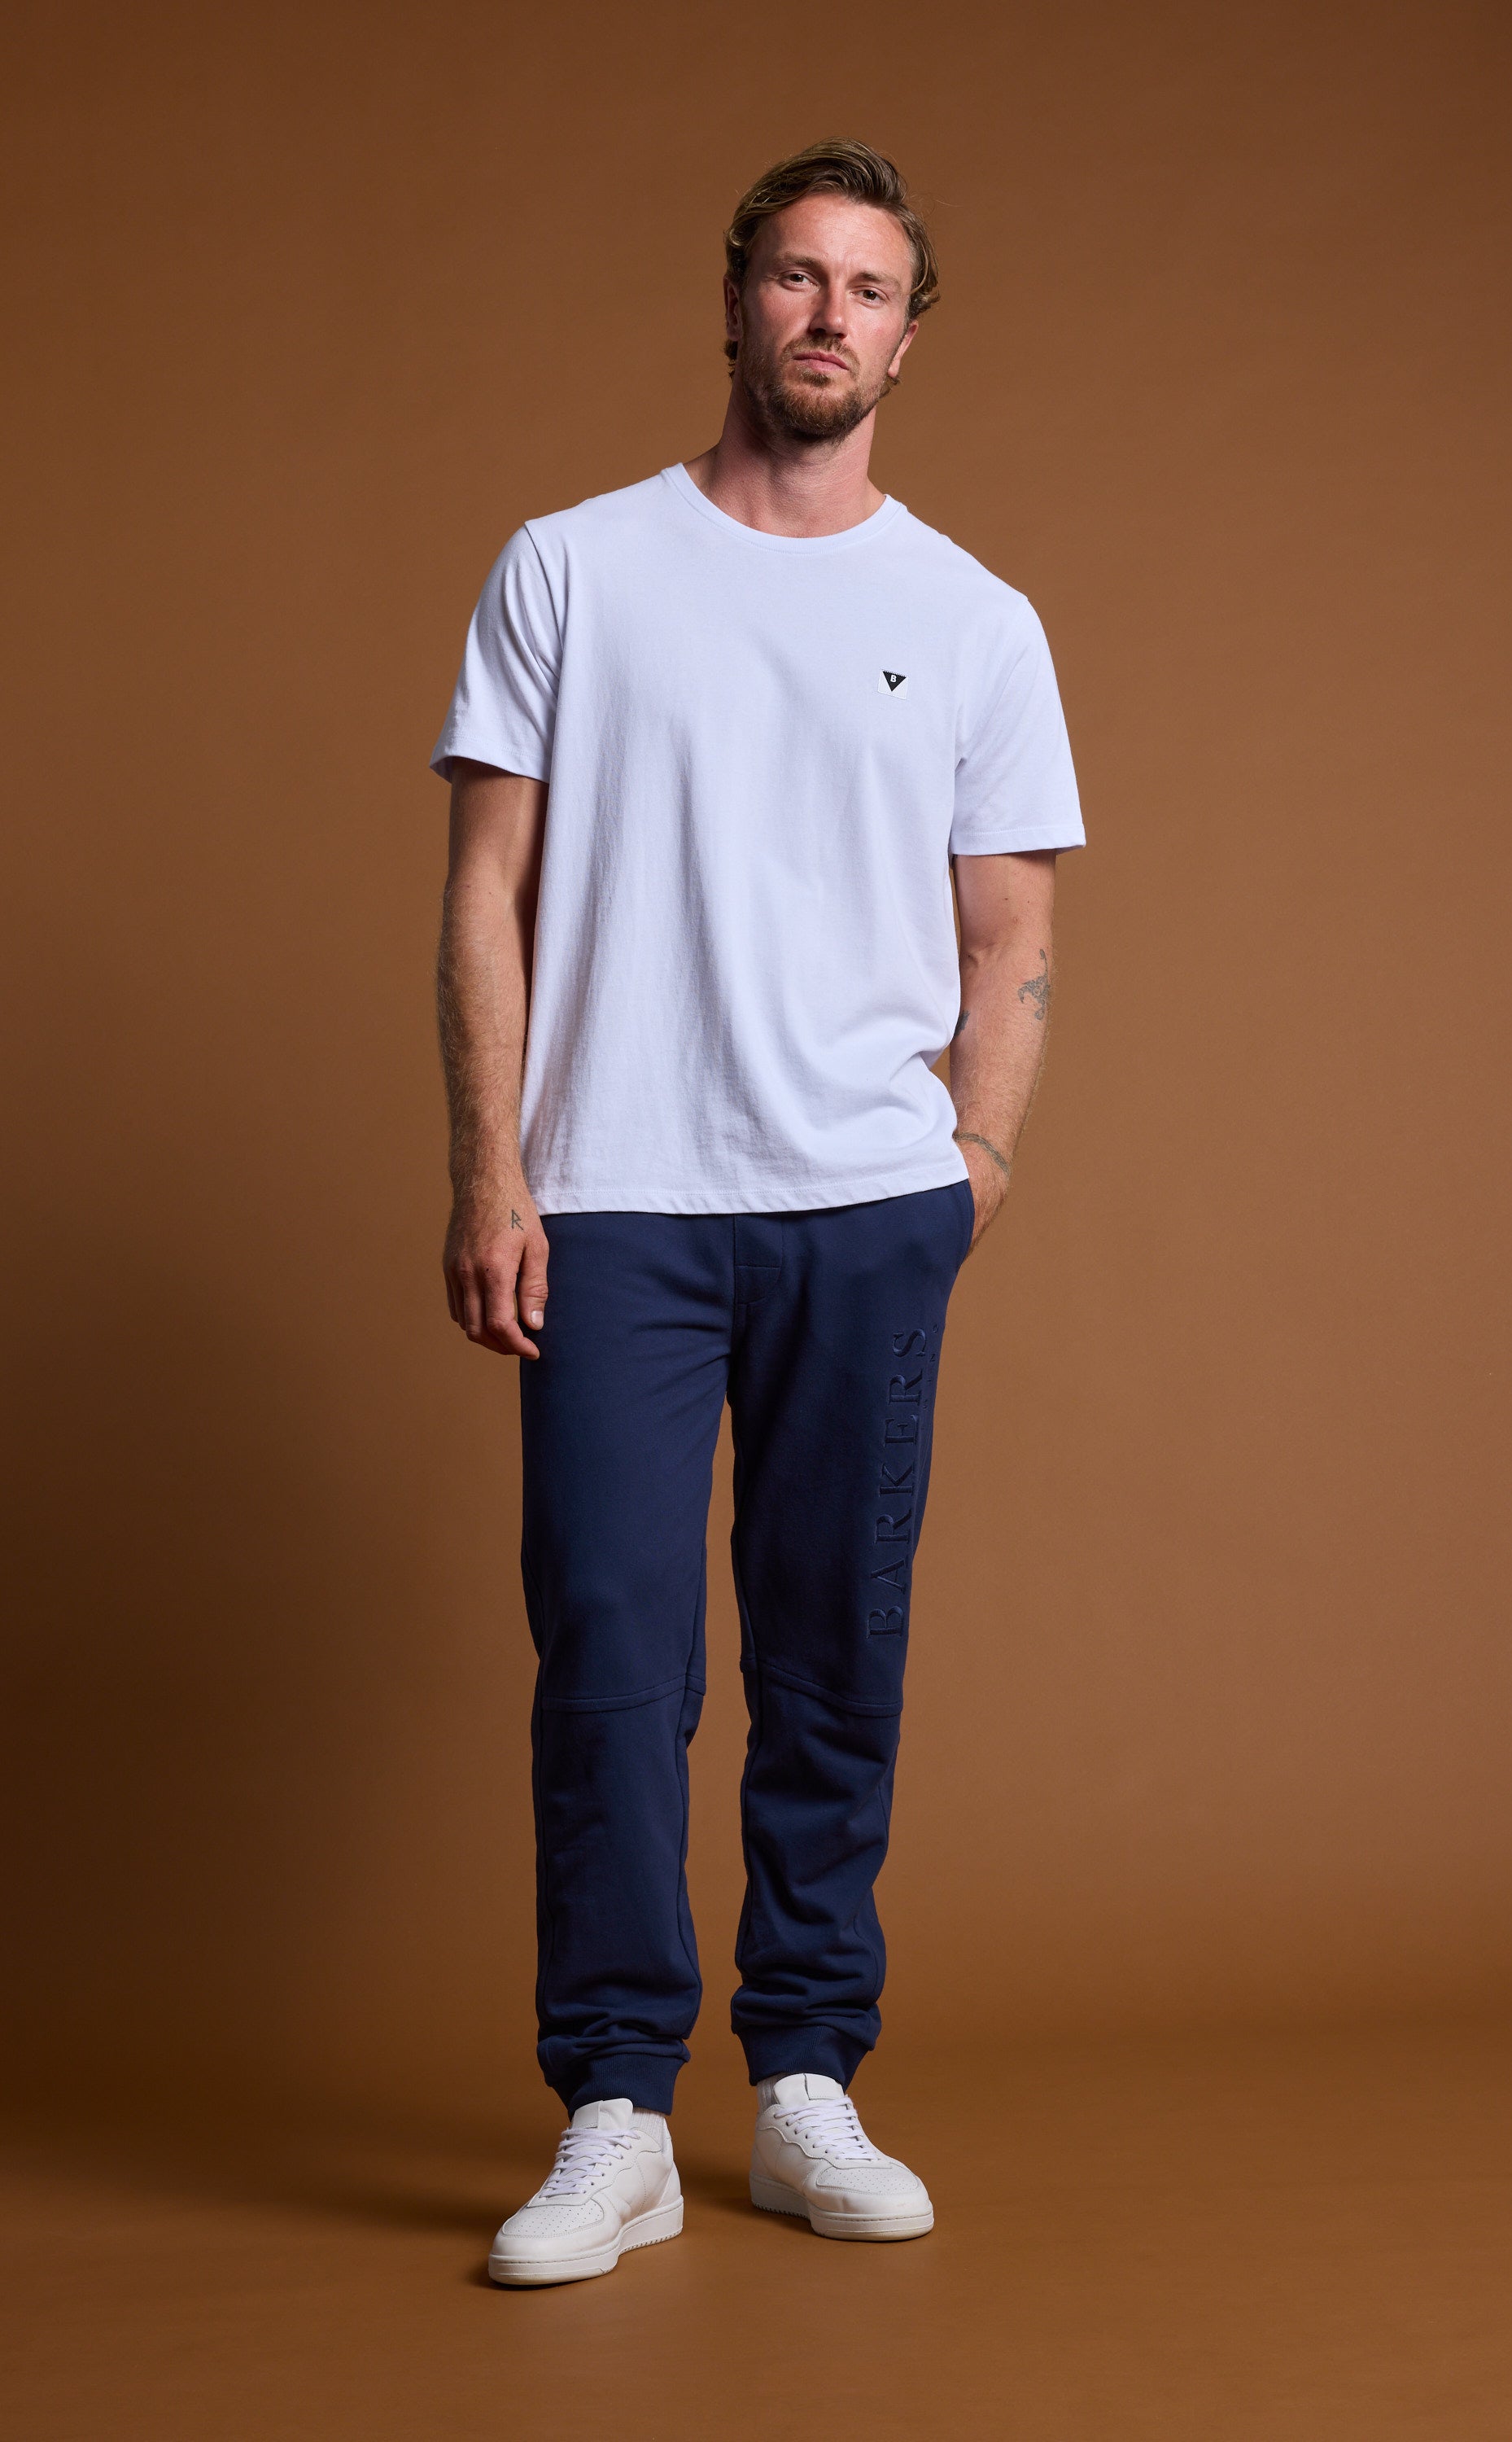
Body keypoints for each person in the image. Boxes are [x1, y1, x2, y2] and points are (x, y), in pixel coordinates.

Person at [431, 138, 1084, 2286]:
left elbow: (1010, 933)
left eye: (868, 288)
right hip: (612, 1201)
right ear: (735, 304)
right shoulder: (571, 568)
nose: (827, 317)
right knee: (613, 1662)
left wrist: (968, 1168)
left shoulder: (971, 616)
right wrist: (492, 1168)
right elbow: (487, 895)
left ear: (910, 329)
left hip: (862, 1210)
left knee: (830, 1656)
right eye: (794, 279)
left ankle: (802, 2078)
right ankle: (616, 2107)